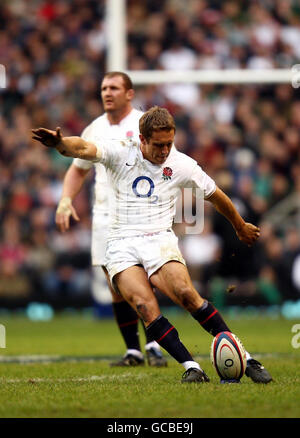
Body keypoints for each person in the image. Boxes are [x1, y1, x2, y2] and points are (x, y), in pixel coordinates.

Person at [32, 106, 272, 384]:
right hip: (121, 242)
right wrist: (61, 144)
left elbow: (216, 196)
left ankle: (248, 358)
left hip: (159, 238)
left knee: (186, 294)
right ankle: (191, 366)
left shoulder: (182, 164)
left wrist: (240, 225)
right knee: (144, 307)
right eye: (158, 145)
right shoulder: (121, 151)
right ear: (142, 139)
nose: (164, 151)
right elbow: (84, 148)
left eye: (169, 143)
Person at [54, 72, 167, 367]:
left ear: (129, 94)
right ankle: (134, 351)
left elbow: (166, 160)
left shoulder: (144, 123)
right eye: (104, 87)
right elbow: (78, 169)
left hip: (140, 213)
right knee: (116, 287)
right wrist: (66, 200)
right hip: (105, 216)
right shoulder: (95, 128)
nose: (107, 92)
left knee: (143, 282)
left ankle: (154, 345)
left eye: (114, 88)